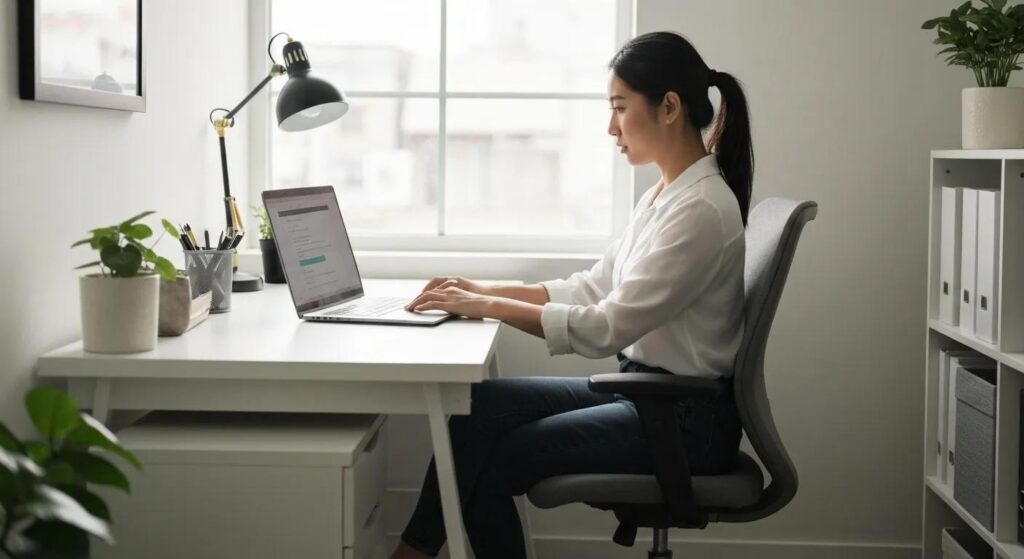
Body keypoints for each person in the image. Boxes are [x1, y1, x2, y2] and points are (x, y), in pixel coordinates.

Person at [389, 30, 753, 559]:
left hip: (683, 421)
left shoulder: (700, 209)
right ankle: (413, 552)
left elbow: (605, 327)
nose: (611, 127)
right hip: (649, 395)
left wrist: (485, 307)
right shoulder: (668, 194)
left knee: (489, 465)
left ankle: (410, 554)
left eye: (620, 107)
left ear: (670, 107)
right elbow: (594, 285)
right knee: (478, 409)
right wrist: (481, 288)